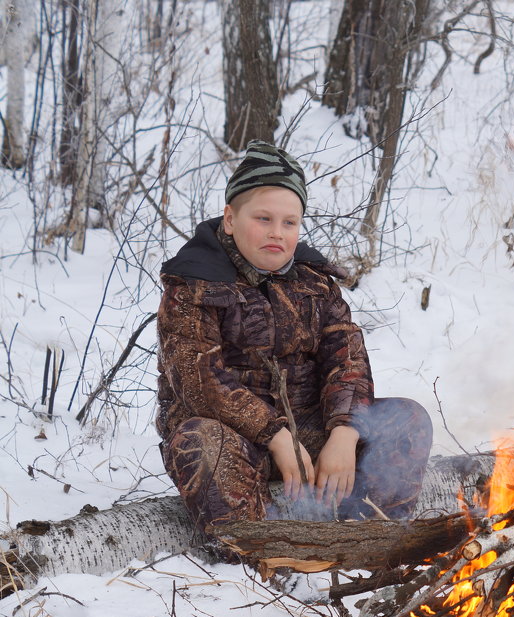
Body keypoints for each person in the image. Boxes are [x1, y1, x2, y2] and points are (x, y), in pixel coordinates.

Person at [156, 140, 432, 537]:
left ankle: (369, 544)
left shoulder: (313, 281)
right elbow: (203, 385)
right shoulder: (193, 285)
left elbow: (347, 360)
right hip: (239, 442)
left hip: (311, 435)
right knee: (200, 441)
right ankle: (259, 560)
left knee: (407, 419)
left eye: (289, 222)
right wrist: (276, 437)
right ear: (230, 219)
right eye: (263, 219)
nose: (277, 233)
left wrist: (344, 431)